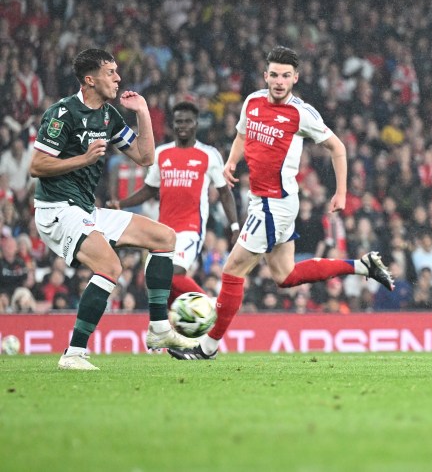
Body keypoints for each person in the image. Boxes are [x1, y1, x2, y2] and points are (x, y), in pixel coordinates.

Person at [168, 46, 394, 360]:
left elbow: (338, 147)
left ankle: (207, 347)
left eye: (286, 76)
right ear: (266, 75)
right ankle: (362, 266)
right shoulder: (252, 101)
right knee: (284, 276)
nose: (279, 81)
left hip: (275, 205)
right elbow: (242, 136)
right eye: (274, 74)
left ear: (295, 78)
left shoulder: (301, 113)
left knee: (232, 270)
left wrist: (341, 192)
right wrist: (231, 163)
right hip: (262, 200)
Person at [29, 48, 197, 371]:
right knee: (110, 265)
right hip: (55, 209)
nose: (118, 78)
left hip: (84, 210)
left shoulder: (109, 115)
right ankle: (74, 352)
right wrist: (84, 159)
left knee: (164, 237)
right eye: (110, 72)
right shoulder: (62, 113)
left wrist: (143, 111)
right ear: (90, 80)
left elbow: (145, 158)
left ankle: (160, 329)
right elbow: (37, 165)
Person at [109, 100, 240, 304]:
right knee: (154, 283)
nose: (183, 126)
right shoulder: (162, 153)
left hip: (190, 228)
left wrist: (234, 226)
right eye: (179, 121)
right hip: (163, 231)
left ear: (196, 124)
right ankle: (174, 327)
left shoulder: (209, 155)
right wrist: (122, 204)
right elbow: (150, 189)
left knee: (172, 274)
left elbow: (224, 192)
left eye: (188, 121)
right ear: (173, 124)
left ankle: (209, 307)